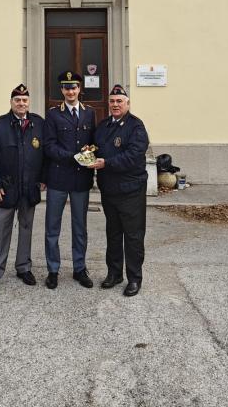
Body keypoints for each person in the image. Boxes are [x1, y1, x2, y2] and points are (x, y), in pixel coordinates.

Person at [0, 83, 45, 294]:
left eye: (25, 100)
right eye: (17, 100)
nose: (21, 103)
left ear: (29, 103)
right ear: (11, 102)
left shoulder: (38, 124)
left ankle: (23, 268)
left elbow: (46, 155)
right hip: (5, 190)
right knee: (0, 232)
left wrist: (44, 178)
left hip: (29, 189)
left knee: (26, 230)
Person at [91, 85, 149, 297]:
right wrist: (87, 153)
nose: (115, 105)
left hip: (131, 189)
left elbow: (133, 156)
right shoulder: (104, 125)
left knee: (133, 236)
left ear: (127, 104)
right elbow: (95, 147)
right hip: (110, 190)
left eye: (119, 101)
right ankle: (114, 274)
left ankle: (134, 278)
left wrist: (106, 163)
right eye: (112, 101)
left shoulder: (136, 126)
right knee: (113, 233)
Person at [43, 71, 96, 289]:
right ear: (62, 90)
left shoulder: (89, 113)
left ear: (79, 89)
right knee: (52, 227)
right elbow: (49, 146)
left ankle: (79, 268)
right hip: (58, 177)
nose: (70, 91)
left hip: (81, 179)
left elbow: (94, 141)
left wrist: (90, 150)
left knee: (79, 227)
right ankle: (53, 270)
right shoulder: (54, 114)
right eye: (66, 88)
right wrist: (71, 156)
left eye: (74, 87)